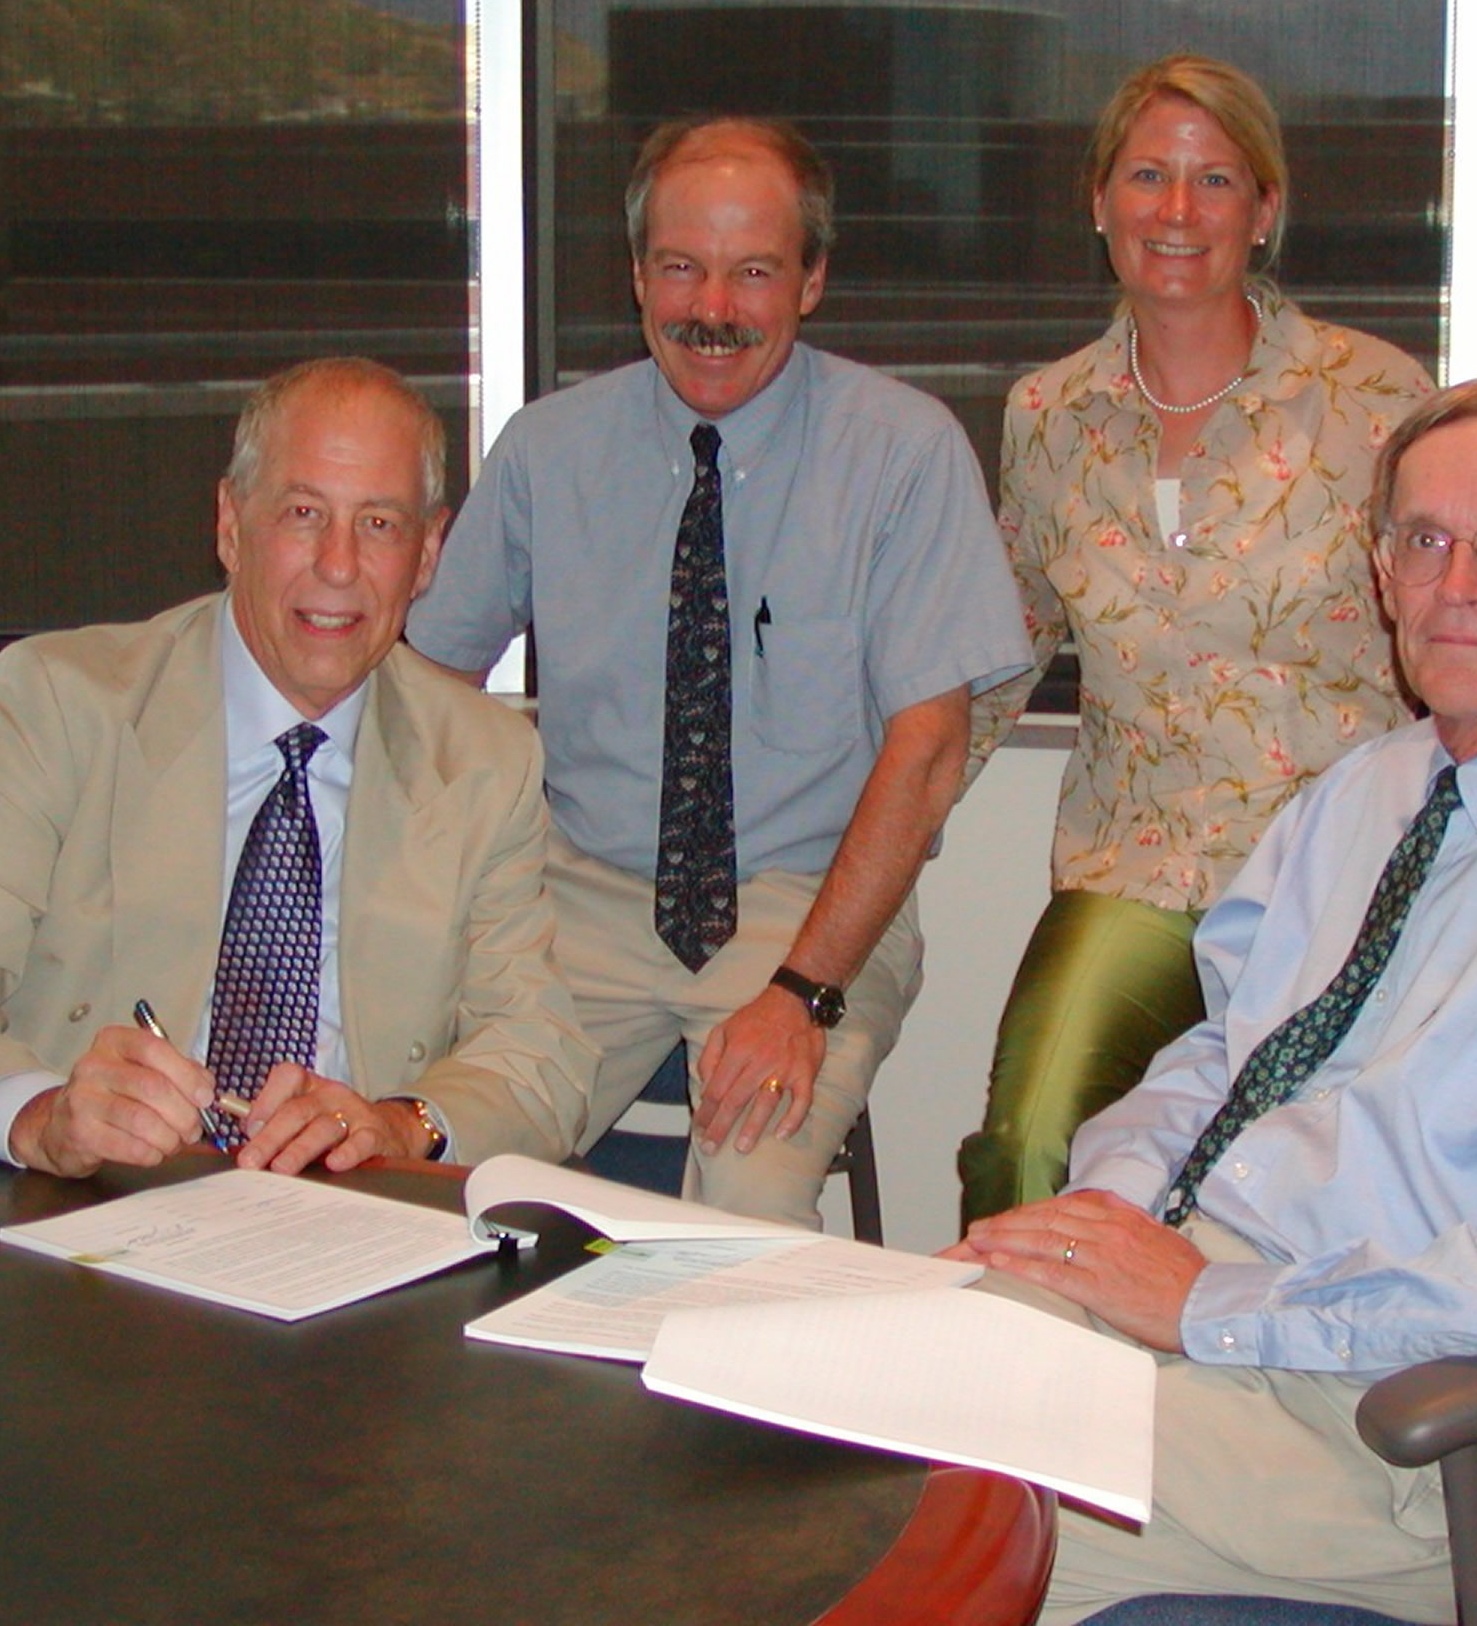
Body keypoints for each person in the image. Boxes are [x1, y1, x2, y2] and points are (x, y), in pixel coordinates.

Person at [952, 375, 1477, 1623]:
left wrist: (1208, 1306)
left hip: (1422, 1424)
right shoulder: (1365, 797)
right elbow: (1222, 1055)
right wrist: (1106, 1220)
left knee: (931, 1523)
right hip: (1214, 1300)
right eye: (1423, 541)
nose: (1457, 585)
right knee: (842, 1400)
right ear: (1380, 570)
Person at [407, 117, 1031, 1229]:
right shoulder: (549, 452)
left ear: (812, 280)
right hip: (579, 895)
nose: (714, 309)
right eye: (682, 267)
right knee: (427, 1162)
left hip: (810, 900)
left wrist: (801, 991)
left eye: (754, 273)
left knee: (745, 1200)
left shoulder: (902, 451)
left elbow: (927, 755)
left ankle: (737, 1406)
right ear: (638, 275)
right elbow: (423, 694)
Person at [0, 358, 598, 1178]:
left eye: (379, 525)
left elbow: (542, 1053)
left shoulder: (485, 761)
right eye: (304, 514)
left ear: (428, 554)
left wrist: (402, 1126)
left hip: (346, 1220)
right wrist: (43, 1116)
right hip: (91, 1207)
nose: (339, 566)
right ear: (231, 525)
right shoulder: (63, 707)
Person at [958, 55, 1432, 1225]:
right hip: (1137, 869)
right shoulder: (1048, 416)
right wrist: (860, 845)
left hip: (1340, 879)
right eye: (1148, 177)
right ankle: (1005, 1402)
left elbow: (1457, 637)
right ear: (1099, 200)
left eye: (1215, 180)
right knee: (1026, 1149)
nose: (1177, 212)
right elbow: (995, 656)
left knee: (1292, 1198)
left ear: (1265, 210)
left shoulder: (1375, 398)